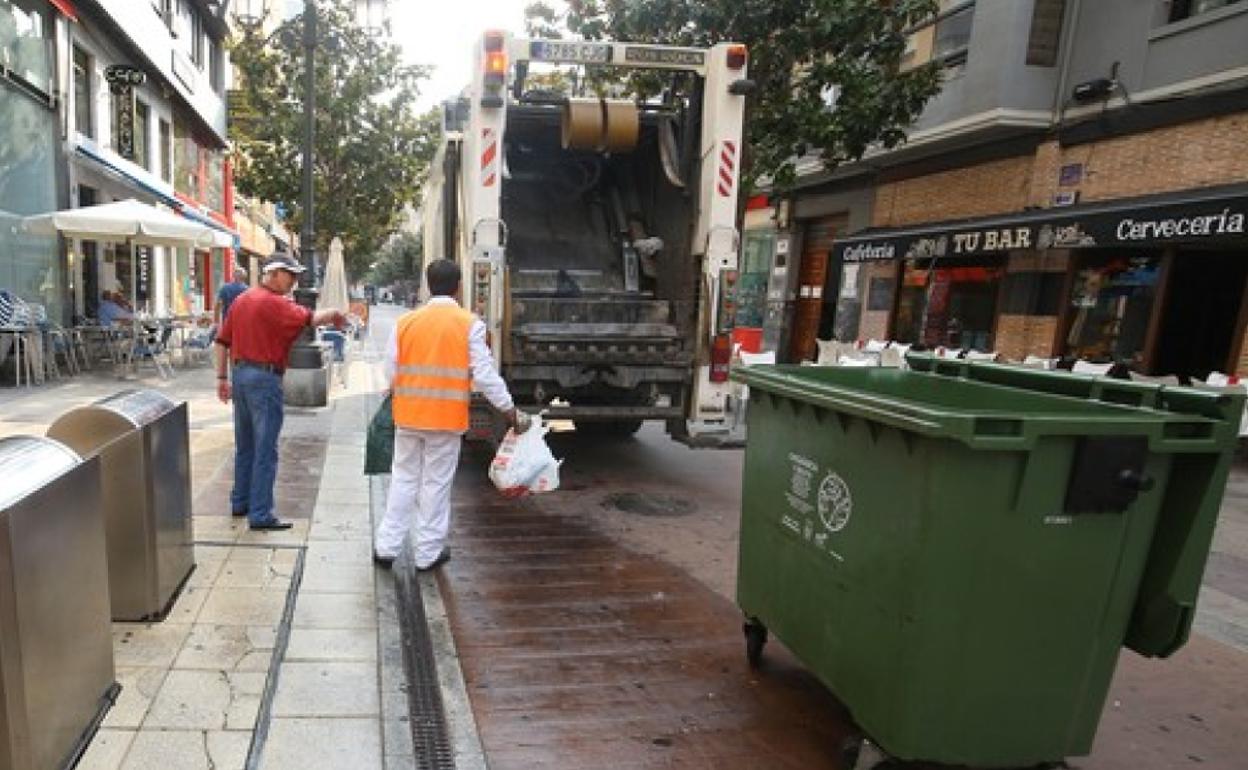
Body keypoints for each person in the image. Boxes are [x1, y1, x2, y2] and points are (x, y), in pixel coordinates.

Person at [374, 259, 525, 570]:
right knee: (435, 485)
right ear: (458, 287)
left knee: (403, 479)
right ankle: (427, 553)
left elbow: (389, 370)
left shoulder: (405, 323)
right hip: (444, 419)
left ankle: (386, 548)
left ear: (428, 285)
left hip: (408, 416)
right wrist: (509, 410)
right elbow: (484, 375)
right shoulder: (469, 324)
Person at [214, 252, 345, 531]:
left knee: (245, 445)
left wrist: (222, 378)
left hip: (241, 376)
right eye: (291, 275)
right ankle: (260, 514)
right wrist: (334, 313)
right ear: (273, 273)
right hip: (265, 379)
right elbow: (311, 319)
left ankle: (240, 502)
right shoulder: (275, 304)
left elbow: (221, 341)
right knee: (265, 449)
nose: (295, 281)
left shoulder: (241, 300)